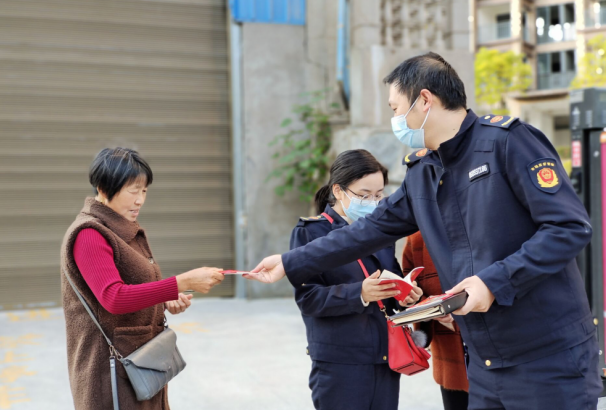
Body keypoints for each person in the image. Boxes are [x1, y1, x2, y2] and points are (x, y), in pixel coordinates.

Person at [245, 52, 602, 409]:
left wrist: (494, 282)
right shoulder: (423, 172)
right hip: (484, 363)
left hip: (547, 358)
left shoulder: (507, 143)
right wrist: (291, 261)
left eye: (396, 108)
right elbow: (365, 231)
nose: (395, 119)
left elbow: (568, 227)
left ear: (425, 100)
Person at [60, 147, 225, 410]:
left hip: (139, 363)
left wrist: (166, 299)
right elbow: (114, 298)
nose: (140, 200)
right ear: (103, 188)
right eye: (132, 191)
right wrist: (180, 283)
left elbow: (134, 288)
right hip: (110, 370)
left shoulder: (121, 229)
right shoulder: (89, 234)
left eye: (144, 191)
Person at [292, 149, 422, 410]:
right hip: (341, 362)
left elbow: (392, 281)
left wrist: (406, 294)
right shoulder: (312, 232)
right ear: (338, 191)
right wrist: (360, 293)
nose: (373, 202)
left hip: (385, 357)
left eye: (378, 195)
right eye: (364, 195)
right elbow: (308, 299)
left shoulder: (380, 232)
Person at [402, 231, 469, 410]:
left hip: (502, 352)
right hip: (451, 356)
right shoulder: (418, 238)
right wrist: (431, 309)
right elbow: (410, 289)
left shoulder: (484, 224)